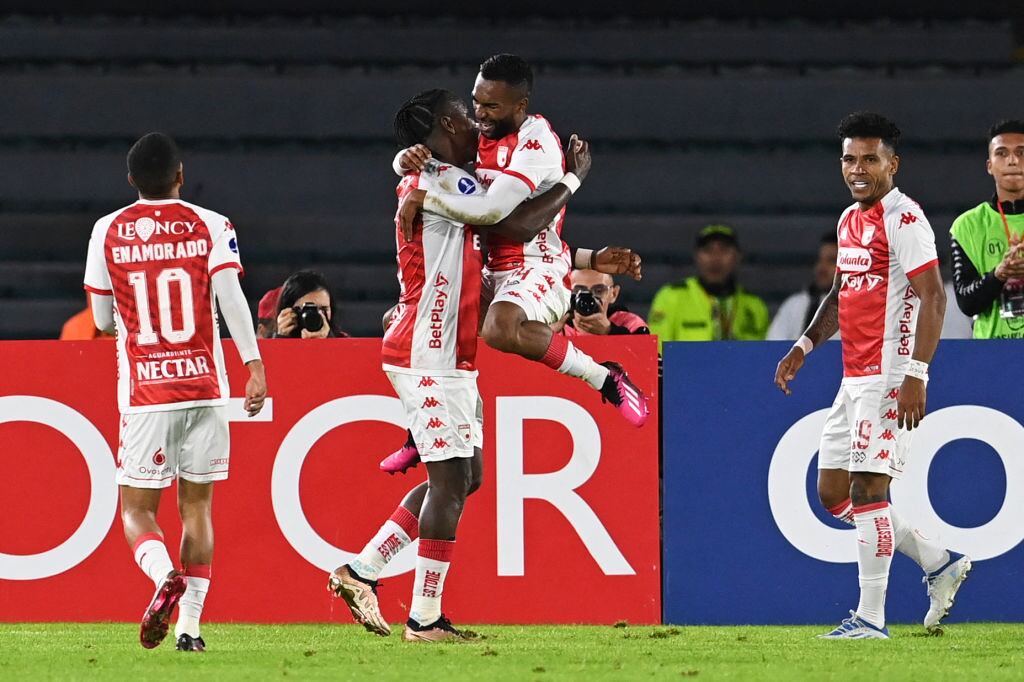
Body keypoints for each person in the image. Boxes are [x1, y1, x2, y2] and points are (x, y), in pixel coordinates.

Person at [328, 89, 595, 642]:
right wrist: (572, 179)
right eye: (468, 115)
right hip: (428, 352)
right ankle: (424, 618)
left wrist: (407, 167)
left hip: (448, 354)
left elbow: (476, 213)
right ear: (450, 124)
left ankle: (363, 570)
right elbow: (501, 215)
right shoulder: (446, 181)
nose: (478, 123)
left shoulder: (435, 176)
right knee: (449, 483)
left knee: (467, 477)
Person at [774, 112, 970, 640]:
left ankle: (870, 617)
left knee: (867, 490)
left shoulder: (905, 220)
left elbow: (934, 297)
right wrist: (803, 346)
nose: (857, 169)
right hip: (853, 375)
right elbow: (841, 293)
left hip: (890, 374)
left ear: (892, 164)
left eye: (869, 159)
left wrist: (916, 374)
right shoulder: (848, 219)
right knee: (832, 493)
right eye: (849, 159)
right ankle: (937, 561)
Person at [391, 54, 650, 433]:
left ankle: (604, 377)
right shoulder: (484, 131)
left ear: (520, 105)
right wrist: (404, 159)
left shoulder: (536, 143)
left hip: (536, 268)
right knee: (411, 321)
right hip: (493, 270)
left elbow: (505, 219)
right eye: (476, 102)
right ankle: (428, 426)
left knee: (500, 328)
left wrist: (427, 199)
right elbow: (445, 159)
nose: (480, 115)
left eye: (491, 106)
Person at [83, 133, 267, 652]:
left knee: (137, 511)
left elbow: (101, 318)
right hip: (206, 387)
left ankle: (164, 575)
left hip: (147, 393)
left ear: (131, 181)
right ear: (181, 175)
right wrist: (254, 366)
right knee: (197, 508)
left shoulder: (107, 230)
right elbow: (231, 298)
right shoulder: (213, 224)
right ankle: (190, 629)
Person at [950, 119, 1024, 338]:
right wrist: (999, 275)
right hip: (991, 353)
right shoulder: (967, 226)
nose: (1012, 160)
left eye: (1021, 152)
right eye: (1002, 153)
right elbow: (966, 303)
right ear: (989, 166)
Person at [648, 225, 769, 347]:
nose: (715, 258)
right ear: (696, 256)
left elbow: (767, 354)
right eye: (707, 250)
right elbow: (655, 350)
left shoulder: (755, 306)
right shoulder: (672, 297)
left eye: (724, 250)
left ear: (738, 256)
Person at [767, 232, 839, 341]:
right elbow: (773, 345)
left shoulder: (856, 310)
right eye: (819, 260)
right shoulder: (793, 305)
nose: (821, 268)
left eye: (832, 261)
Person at [556, 269, 649, 336]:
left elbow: (645, 355)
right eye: (579, 291)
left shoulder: (630, 324)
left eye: (599, 290)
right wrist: (550, 333)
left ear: (613, 294)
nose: (588, 298)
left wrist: (609, 331)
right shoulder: (558, 325)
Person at [272, 270, 349, 338]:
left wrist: (329, 340)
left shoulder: (345, 343)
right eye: (306, 309)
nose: (314, 316)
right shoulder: (265, 345)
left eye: (323, 309)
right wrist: (280, 339)